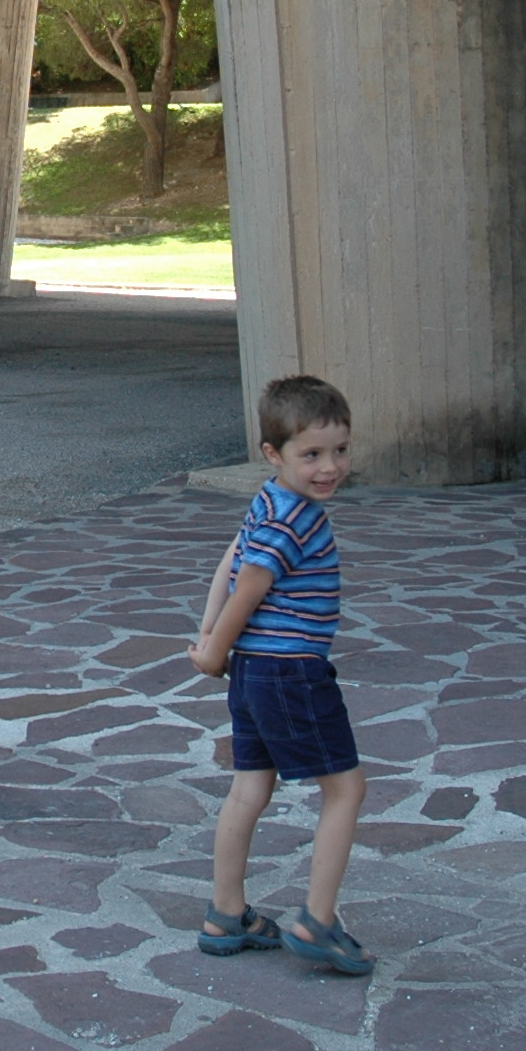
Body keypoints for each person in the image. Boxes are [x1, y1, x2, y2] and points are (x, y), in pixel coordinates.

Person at [187, 374, 371, 974]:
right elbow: (249, 585)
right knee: (345, 790)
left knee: (250, 788)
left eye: (340, 450)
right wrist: (213, 648)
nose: (329, 467)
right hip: (290, 674)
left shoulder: (267, 500)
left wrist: (209, 636)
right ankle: (317, 920)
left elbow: (228, 561)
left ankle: (225, 914)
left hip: (254, 673)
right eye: (311, 454)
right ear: (274, 453)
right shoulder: (297, 519)